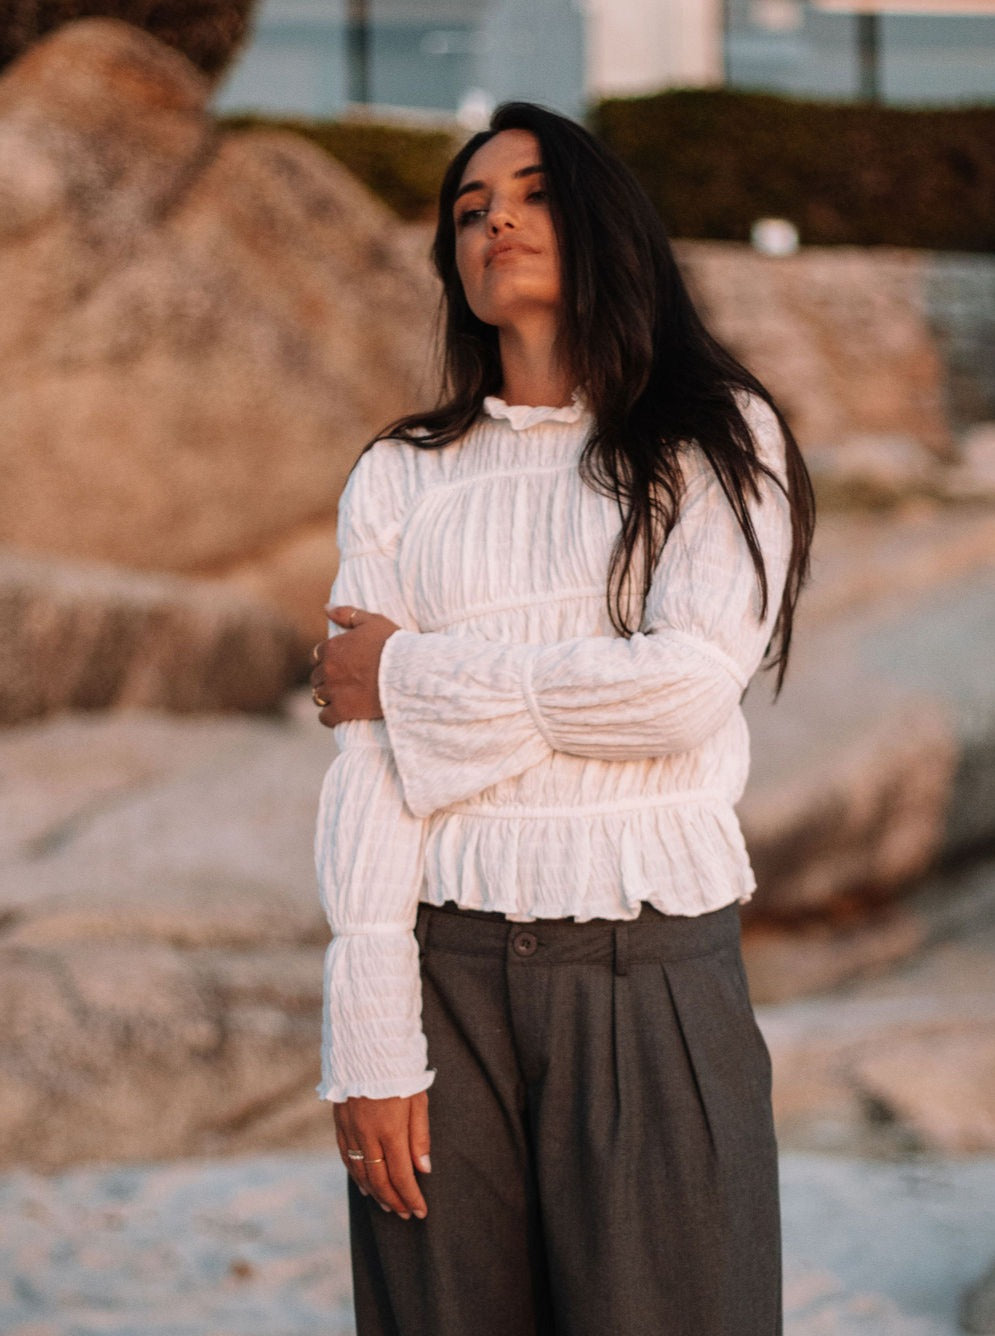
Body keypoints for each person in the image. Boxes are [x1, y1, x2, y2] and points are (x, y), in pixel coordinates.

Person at [308, 100, 815, 1336]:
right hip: (442, 980)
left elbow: (684, 688)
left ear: (603, 226)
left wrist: (417, 676)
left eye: (532, 194)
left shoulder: (714, 438)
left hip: (644, 977)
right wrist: (369, 1032)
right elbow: (366, 761)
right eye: (471, 209)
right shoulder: (399, 476)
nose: (497, 222)